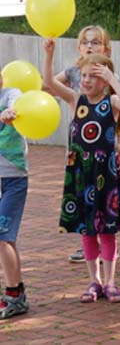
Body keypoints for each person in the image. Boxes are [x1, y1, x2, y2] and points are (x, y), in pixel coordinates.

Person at [43, 43, 120, 303]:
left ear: (104, 80)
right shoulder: (76, 100)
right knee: (87, 231)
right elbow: (49, 82)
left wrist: (112, 79)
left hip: (105, 175)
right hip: (81, 173)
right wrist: (49, 53)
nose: (85, 80)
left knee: (107, 231)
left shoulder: (112, 101)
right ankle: (93, 281)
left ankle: (110, 282)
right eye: (83, 75)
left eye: (92, 76)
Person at [55, 25, 120, 264]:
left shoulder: (107, 76)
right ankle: (88, 242)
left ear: (106, 47)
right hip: (80, 145)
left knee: (104, 205)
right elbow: (50, 83)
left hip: (103, 152)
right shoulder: (75, 73)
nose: (89, 46)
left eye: (95, 42)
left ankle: (106, 246)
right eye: (85, 42)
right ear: (78, 47)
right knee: (84, 200)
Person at [0, 82, 29, 319]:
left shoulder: (12, 94)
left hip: (14, 179)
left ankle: (14, 296)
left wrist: (9, 113)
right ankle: (16, 292)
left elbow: (15, 107)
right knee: (5, 238)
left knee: (3, 237)